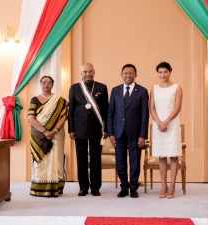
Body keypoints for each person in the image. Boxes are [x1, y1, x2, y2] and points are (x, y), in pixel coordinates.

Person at [108, 64, 149, 198]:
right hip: (118, 131)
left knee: (134, 161)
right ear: (121, 75)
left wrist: (143, 135)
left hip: (136, 133)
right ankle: (124, 187)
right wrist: (111, 132)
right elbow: (111, 113)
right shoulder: (115, 91)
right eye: (125, 73)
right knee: (120, 161)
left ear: (135, 75)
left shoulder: (142, 91)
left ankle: (133, 187)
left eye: (131, 73)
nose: (128, 75)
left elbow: (145, 115)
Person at [68, 63, 109, 197]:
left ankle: (95, 187)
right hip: (79, 128)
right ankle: (83, 187)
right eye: (85, 72)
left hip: (96, 128)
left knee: (96, 159)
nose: (88, 74)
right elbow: (71, 110)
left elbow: (105, 110)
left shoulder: (102, 87)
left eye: (90, 71)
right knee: (81, 159)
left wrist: (105, 128)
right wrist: (71, 129)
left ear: (94, 72)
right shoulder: (74, 88)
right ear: (81, 73)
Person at [28, 76, 69, 197]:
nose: (46, 84)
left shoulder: (60, 101)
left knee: (56, 159)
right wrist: (45, 131)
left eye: (49, 82)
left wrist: (55, 130)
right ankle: (39, 187)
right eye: (44, 82)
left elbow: (64, 117)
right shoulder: (34, 99)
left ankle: (55, 187)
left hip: (56, 135)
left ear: (52, 84)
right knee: (40, 162)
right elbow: (31, 118)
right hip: (38, 135)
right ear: (40, 84)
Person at [149, 62, 183, 199]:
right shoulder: (154, 88)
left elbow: (177, 107)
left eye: (165, 72)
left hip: (172, 124)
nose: (163, 74)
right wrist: (159, 122)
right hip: (158, 125)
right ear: (157, 74)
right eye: (160, 72)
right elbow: (151, 107)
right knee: (161, 156)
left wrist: (166, 121)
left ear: (170, 72)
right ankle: (164, 185)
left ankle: (173, 184)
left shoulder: (177, 87)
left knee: (173, 155)